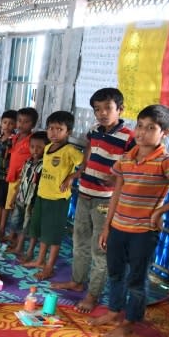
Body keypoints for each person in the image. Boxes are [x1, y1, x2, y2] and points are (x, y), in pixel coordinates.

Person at [89, 104, 169, 337]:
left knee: (136, 278)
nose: (142, 132)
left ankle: (129, 322)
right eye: (140, 126)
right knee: (115, 273)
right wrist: (107, 226)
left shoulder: (165, 161)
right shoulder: (126, 158)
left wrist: (160, 212)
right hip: (118, 228)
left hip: (143, 232)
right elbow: (117, 192)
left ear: (165, 133)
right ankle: (114, 312)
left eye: (151, 128)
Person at [51, 88, 135, 313]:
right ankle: (77, 280)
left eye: (108, 108)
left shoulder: (129, 137)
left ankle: (93, 294)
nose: (102, 113)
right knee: (79, 241)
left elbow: (132, 167)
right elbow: (88, 155)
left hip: (104, 201)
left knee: (100, 249)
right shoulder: (94, 131)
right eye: (97, 109)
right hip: (85, 193)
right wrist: (78, 173)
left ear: (120, 109)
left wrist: (118, 177)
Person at [22, 111, 83, 280]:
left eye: (59, 129)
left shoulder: (70, 150)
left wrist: (71, 177)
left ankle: (49, 267)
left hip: (58, 199)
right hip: (43, 195)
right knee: (43, 231)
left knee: (54, 235)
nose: (54, 132)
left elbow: (85, 164)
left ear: (68, 132)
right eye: (51, 128)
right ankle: (40, 260)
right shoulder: (47, 147)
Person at [9, 131, 48, 259]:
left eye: (39, 147)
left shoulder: (44, 165)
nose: (35, 150)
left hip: (32, 201)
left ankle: (23, 249)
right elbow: (22, 180)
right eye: (32, 146)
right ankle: (16, 244)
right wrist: (15, 195)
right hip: (21, 197)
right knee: (16, 221)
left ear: (46, 148)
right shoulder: (28, 161)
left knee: (27, 226)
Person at [4, 107, 38, 248]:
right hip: (12, 176)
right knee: (12, 207)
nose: (21, 124)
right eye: (19, 121)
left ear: (33, 124)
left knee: (20, 209)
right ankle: (12, 235)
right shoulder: (16, 137)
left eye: (26, 122)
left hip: (23, 179)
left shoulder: (32, 140)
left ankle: (17, 238)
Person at [0, 110, 17, 239]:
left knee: (4, 202)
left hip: (7, 175)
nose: (7, 125)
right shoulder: (0, 137)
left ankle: (1, 227)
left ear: (16, 125)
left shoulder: (14, 140)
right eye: (5, 122)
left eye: (11, 123)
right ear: (1, 123)